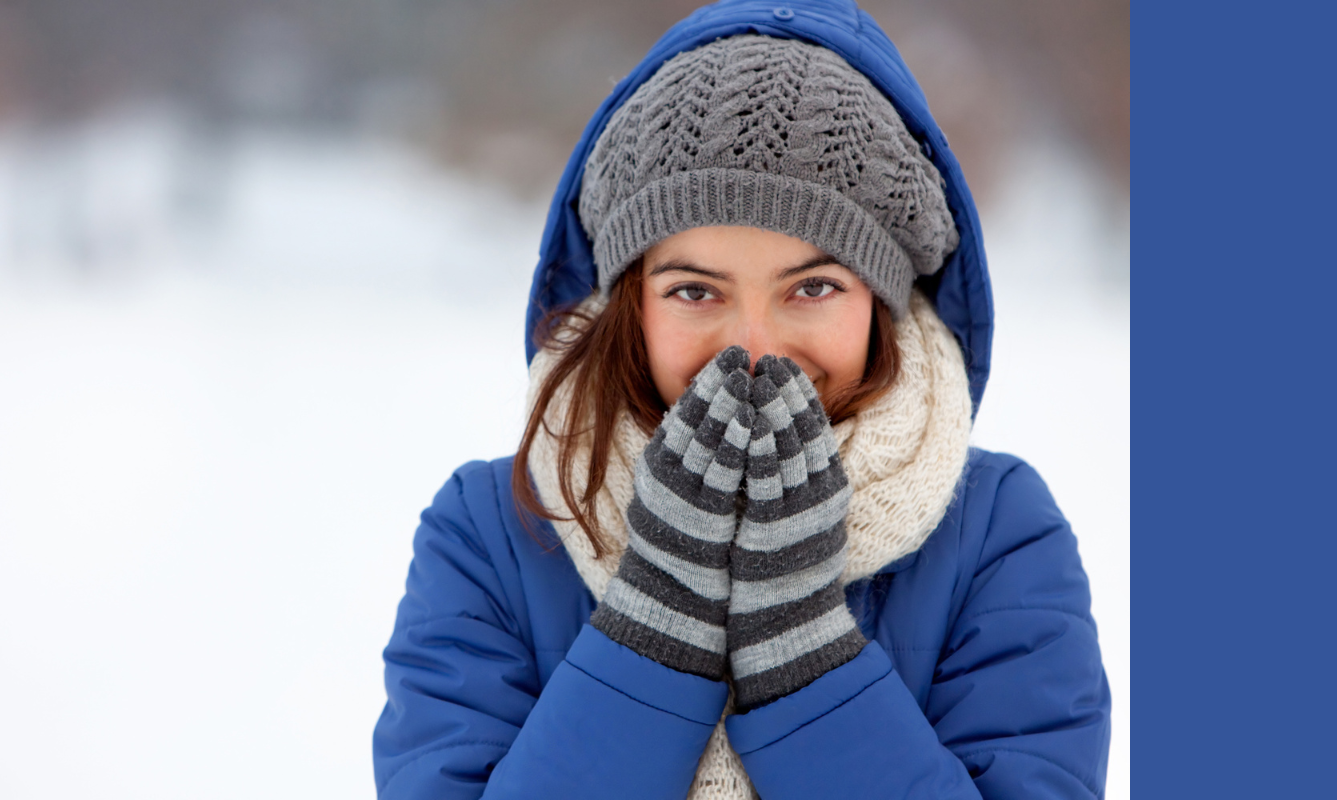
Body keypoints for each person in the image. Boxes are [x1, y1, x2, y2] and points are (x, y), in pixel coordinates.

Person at [372, 1, 1111, 797]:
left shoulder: (996, 534)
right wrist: (653, 634)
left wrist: (806, 663)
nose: (753, 349)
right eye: (695, 290)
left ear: (883, 300)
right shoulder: (495, 532)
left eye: (814, 287)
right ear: (631, 304)